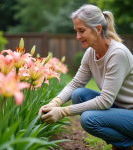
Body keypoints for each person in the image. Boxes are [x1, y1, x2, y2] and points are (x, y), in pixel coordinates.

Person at [38, 4, 133, 150]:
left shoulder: (117, 54)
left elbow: (105, 101)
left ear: (98, 29)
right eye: (76, 31)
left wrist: (63, 112)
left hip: (129, 114)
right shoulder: (91, 53)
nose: (77, 36)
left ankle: (127, 144)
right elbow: (76, 83)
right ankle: (123, 141)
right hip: (120, 110)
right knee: (78, 94)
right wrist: (54, 103)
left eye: (81, 31)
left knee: (88, 119)